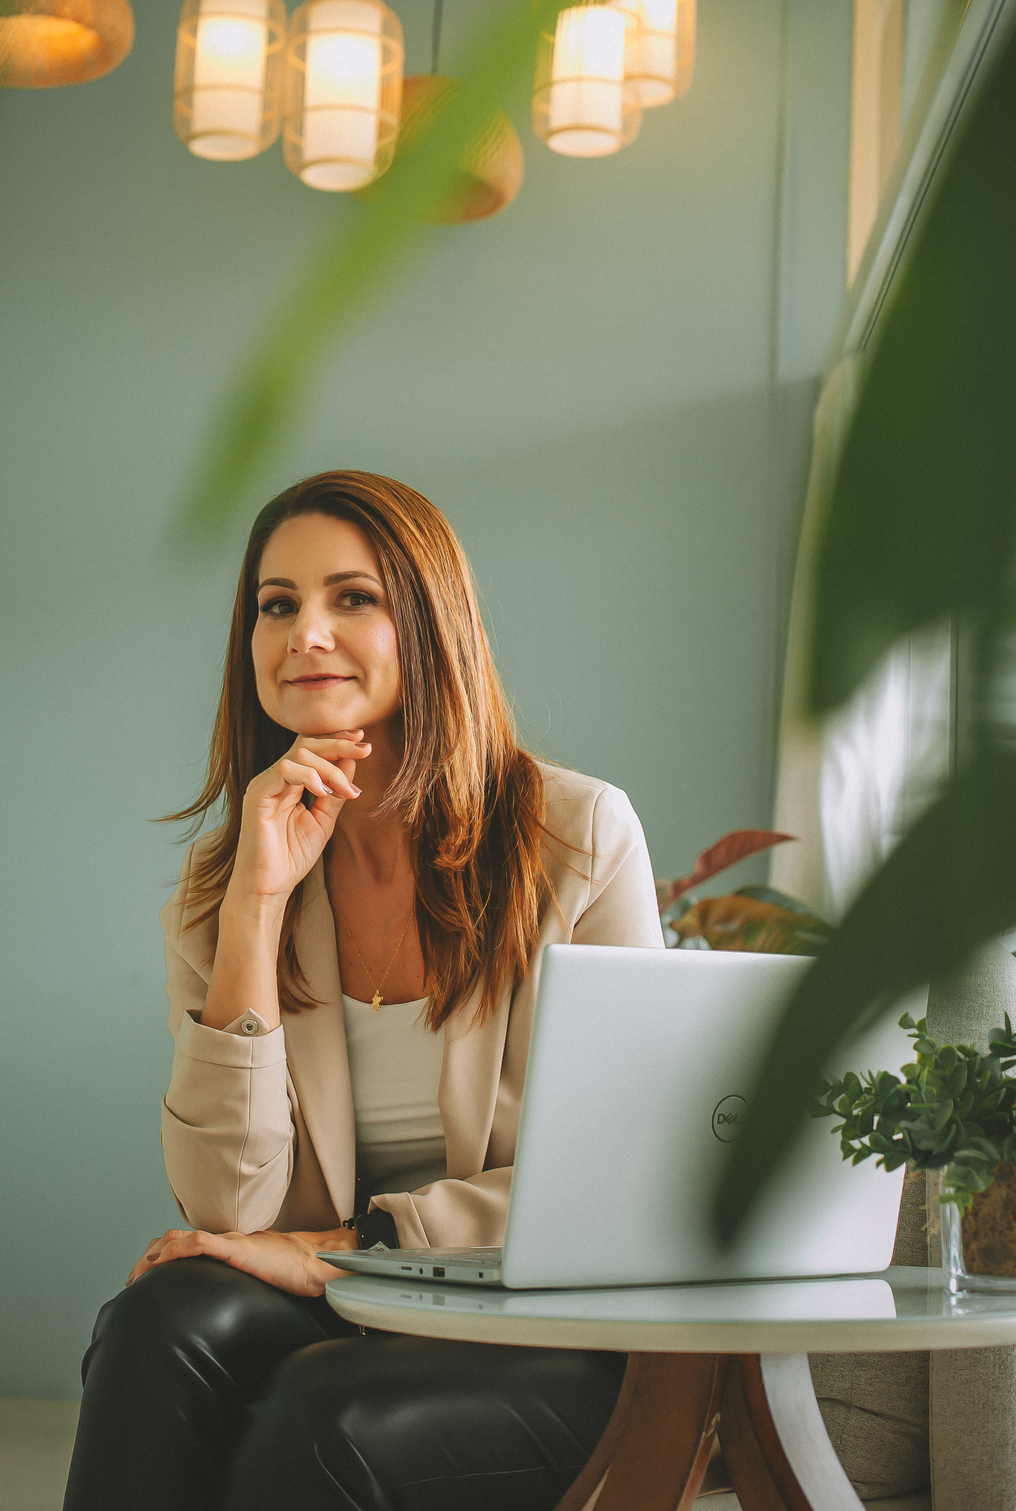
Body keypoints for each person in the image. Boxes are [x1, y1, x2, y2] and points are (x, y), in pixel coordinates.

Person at [63, 470, 663, 1511]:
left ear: (431, 624)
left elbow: (613, 1184)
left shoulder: (579, 839)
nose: (306, 634)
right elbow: (227, 1204)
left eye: (354, 597)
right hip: (343, 1300)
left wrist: (346, 1252)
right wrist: (257, 905)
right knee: (155, 1323)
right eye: (277, 604)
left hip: (545, 1320)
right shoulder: (229, 878)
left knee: (321, 1420)